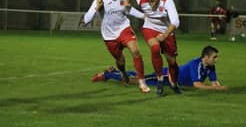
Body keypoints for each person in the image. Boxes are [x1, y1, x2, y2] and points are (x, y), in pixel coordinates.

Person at [83, 0, 150, 93]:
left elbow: (128, 9)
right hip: (109, 36)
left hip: (123, 29)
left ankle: (142, 82)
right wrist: (96, 8)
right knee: (121, 61)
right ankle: (123, 74)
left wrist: (144, 16)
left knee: (135, 51)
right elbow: (86, 20)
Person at [92, 46, 228, 91]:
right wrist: (215, 89)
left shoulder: (210, 67)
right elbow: (197, 84)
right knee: (135, 82)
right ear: (206, 57)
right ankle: (108, 74)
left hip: (172, 81)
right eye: (214, 57)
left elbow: (215, 83)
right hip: (165, 77)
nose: (216, 60)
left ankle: (114, 71)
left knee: (141, 77)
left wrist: (218, 87)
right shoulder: (196, 64)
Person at [128, 0, 181, 95]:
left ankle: (174, 83)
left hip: (167, 32)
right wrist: (127, 0)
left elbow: (176, 21)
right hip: (149, 28)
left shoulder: (167, 1)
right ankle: (160, 79)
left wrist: (165, 35)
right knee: (155, 48)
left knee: (172, 62)